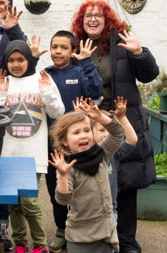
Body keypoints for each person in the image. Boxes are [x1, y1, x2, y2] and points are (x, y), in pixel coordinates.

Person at [71, 0, 159, 253]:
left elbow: (149, 74)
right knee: (92, 181)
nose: (93, 19)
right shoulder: (77, 45)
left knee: (125, 180)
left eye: (99, 15)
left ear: (107, 19)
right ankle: (92, 236)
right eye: (87, 15)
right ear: (81, 21)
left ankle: (127, 240)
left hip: (122, 119)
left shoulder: (121, 44)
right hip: (89, 124)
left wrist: (139, 52)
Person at [0, 40, 65, 253]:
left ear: (29, 59)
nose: (16, 64)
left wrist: (46, 92)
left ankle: (40, 245)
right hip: (8, 153)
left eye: (21, 59)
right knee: (14, 203)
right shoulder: (3, 81)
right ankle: (20, 244)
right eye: (11, 60)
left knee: (30, 201)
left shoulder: (42, 79)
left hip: (32, 154)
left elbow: (58, 112)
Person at [43, 30, 103, 252]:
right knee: (56, 188)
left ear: (72, 51)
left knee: (82, 189)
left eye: (63, 47)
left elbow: (95, 90)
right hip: (53, 144)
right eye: (54, 47)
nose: (58, 51)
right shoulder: (45, 75)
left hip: (79, 144)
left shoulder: (80, 72)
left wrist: (87, 63)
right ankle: (61, 229)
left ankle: (83, 230)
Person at [49, 98, 125, 253]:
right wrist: (62, 175)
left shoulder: (102, 153)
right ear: (64, 141)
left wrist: (98, 117)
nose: (83, 136)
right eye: (76, 132)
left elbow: (118, 134)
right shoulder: (68, 166)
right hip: (81, 238)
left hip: (106, 234)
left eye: (87, 130)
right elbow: (63, 200)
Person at [93, 97, 137, 225]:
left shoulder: (113, 153)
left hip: (109, 211)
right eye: (101, 130)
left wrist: (122, 118)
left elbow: (132, 140)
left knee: (108, 244)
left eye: (110, 132)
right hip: (86, 211)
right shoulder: (85, 152)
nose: (106, 135)